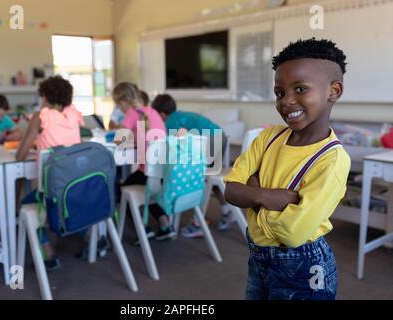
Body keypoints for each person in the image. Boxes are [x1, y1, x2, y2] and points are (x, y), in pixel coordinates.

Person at [224, 38, 350, 300]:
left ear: (333, 91)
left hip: (304, 269)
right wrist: (267, 197)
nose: (286, 102)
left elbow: (293, 233)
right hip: (259, 258)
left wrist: (253, 195)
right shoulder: (267, 138)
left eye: (300, 89)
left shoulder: (332, 159)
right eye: (280, 93)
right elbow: (230, 191)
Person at [16, 76, 84, 270]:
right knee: (69, 202)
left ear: (44, 96)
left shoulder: (41, 115)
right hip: (76, 184)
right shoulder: (73, 113)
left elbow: (20, 155)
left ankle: (48, 254)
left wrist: (30, 145)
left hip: (53, 189)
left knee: (26, 205)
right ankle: (87, 236)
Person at [151, 94, 232, 237]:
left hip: (209, 142)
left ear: (162, 114)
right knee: (210, 177)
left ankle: (197, 222)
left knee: (198, 177)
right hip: (221, 137)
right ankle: (226, 210)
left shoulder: (170, 123)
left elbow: (171, 148)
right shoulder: (181, 115)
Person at [112, 82, 175, 243]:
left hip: (148, 172)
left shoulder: (132, 113)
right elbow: (148, 137)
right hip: (162, 171)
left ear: (124, 101)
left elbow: (119, 140)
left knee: (121, 191)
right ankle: (165, 224)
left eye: (117, 104)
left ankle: (144, 229)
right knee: (148, 190)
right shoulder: (152, 111)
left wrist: (120, 130)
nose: (118, 108)